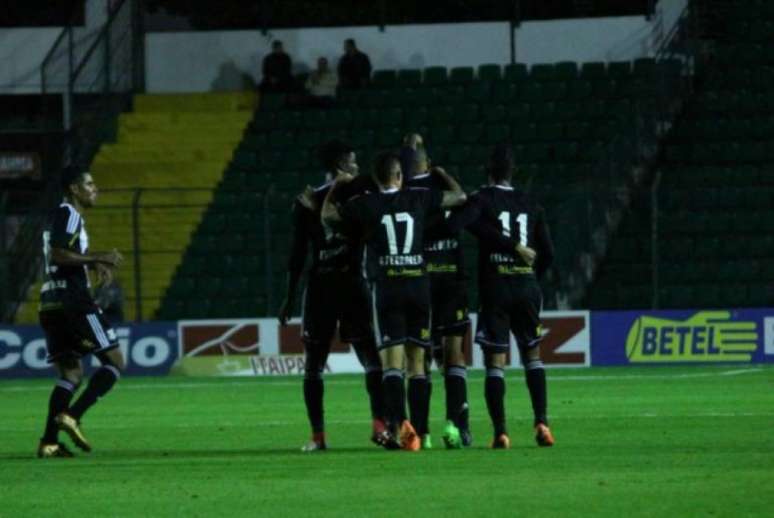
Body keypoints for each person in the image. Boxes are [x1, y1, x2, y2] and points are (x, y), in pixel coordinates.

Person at [322, 151, 467, 451]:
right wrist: (441, 174)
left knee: (392, 366)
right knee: (418, 365)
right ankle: (423, 433)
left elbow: (328, 216)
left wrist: (336, 187)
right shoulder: (419, 197)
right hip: (418, 286)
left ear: (376, 180)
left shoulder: (367, 204)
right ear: (400, 176)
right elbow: (459, 197)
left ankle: (402, 428)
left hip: (388, 289)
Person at [278, 140, 385, 452]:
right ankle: (329, 434)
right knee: (340, 361)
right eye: (352, 163)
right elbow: (297, 253)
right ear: (340, 166)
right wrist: (289, 297)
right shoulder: (323, 200)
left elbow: (298, 255)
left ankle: (360, 429)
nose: (356, 168)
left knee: (344, 361)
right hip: (339, 285)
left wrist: (289, 296)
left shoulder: (312, 201)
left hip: (339, 285)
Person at [446, 144, 555, 449]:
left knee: (496, 361)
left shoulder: (482, 198)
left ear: (487, 171)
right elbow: (548, 253)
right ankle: (542, 423)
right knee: (533, 355)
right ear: (513, 172)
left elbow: (458, 223)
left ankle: (501, 433)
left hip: (496, 288)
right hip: (526, 286)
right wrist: (533, 279)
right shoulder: (531, 202)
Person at [37, 166, 124, 458]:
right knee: (114, 362)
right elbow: (59, 254)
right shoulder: (69, 214)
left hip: (50, 303)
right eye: (89, 184)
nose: (94, 188)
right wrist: (100, 257)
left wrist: (89, 262)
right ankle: (72, 416)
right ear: (74, 189)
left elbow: (61, 255)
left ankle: (49, 442)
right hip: (73, 302)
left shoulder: (59, 218)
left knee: (71, 374)